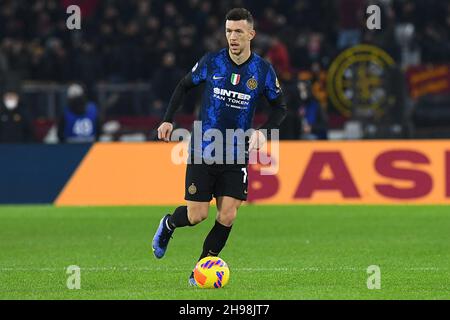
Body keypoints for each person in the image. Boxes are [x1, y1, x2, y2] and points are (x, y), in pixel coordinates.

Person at [151, 8, 287, 286]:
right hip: (204, 147)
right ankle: (169, 224)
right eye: (228, 31)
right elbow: (183, 85)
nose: (232, 37)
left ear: (251, 34)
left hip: (236, 152)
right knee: (196, 215)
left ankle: (199, 270)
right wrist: (167, 120)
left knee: (227, 215)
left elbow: (280, 107)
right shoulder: (212, 62)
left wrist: (263, 132)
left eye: (238, 31)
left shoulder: (262, 70)